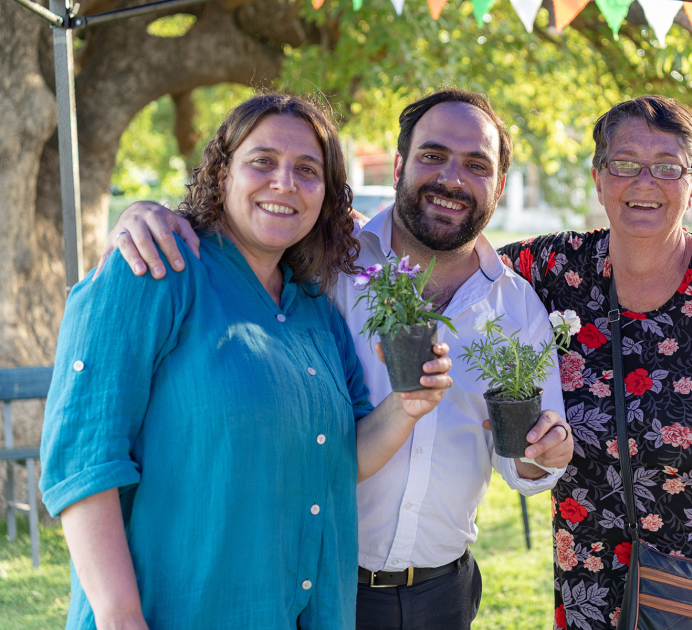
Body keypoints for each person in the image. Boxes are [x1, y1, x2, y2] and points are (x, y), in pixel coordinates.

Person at [96, 88, 575, 630]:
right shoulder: (326, 262)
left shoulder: (517, 306)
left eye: (476, 164)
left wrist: (544, 453)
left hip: (444, 594)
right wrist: (145, 213)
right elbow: (249, 226)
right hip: (316, 581)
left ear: (500, 185)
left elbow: (525, 467)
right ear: (399, 166)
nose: (452, 179)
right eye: (432, 156)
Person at [39, 93, 454, 630]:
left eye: (307, 170)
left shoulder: (316, 313)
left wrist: (407, 404)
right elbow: (83, 461)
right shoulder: (151, 270)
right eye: (262, 161)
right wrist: (120, 617)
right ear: (221, 175)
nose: (284, 182)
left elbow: (340, 457)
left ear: (325, 196)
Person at [497, 95, 692, 629]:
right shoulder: (550, 270)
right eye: (625, 164)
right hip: (595, 574)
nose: (644, 182)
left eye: (667, 168)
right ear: (599, 179)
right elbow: (458, 265)